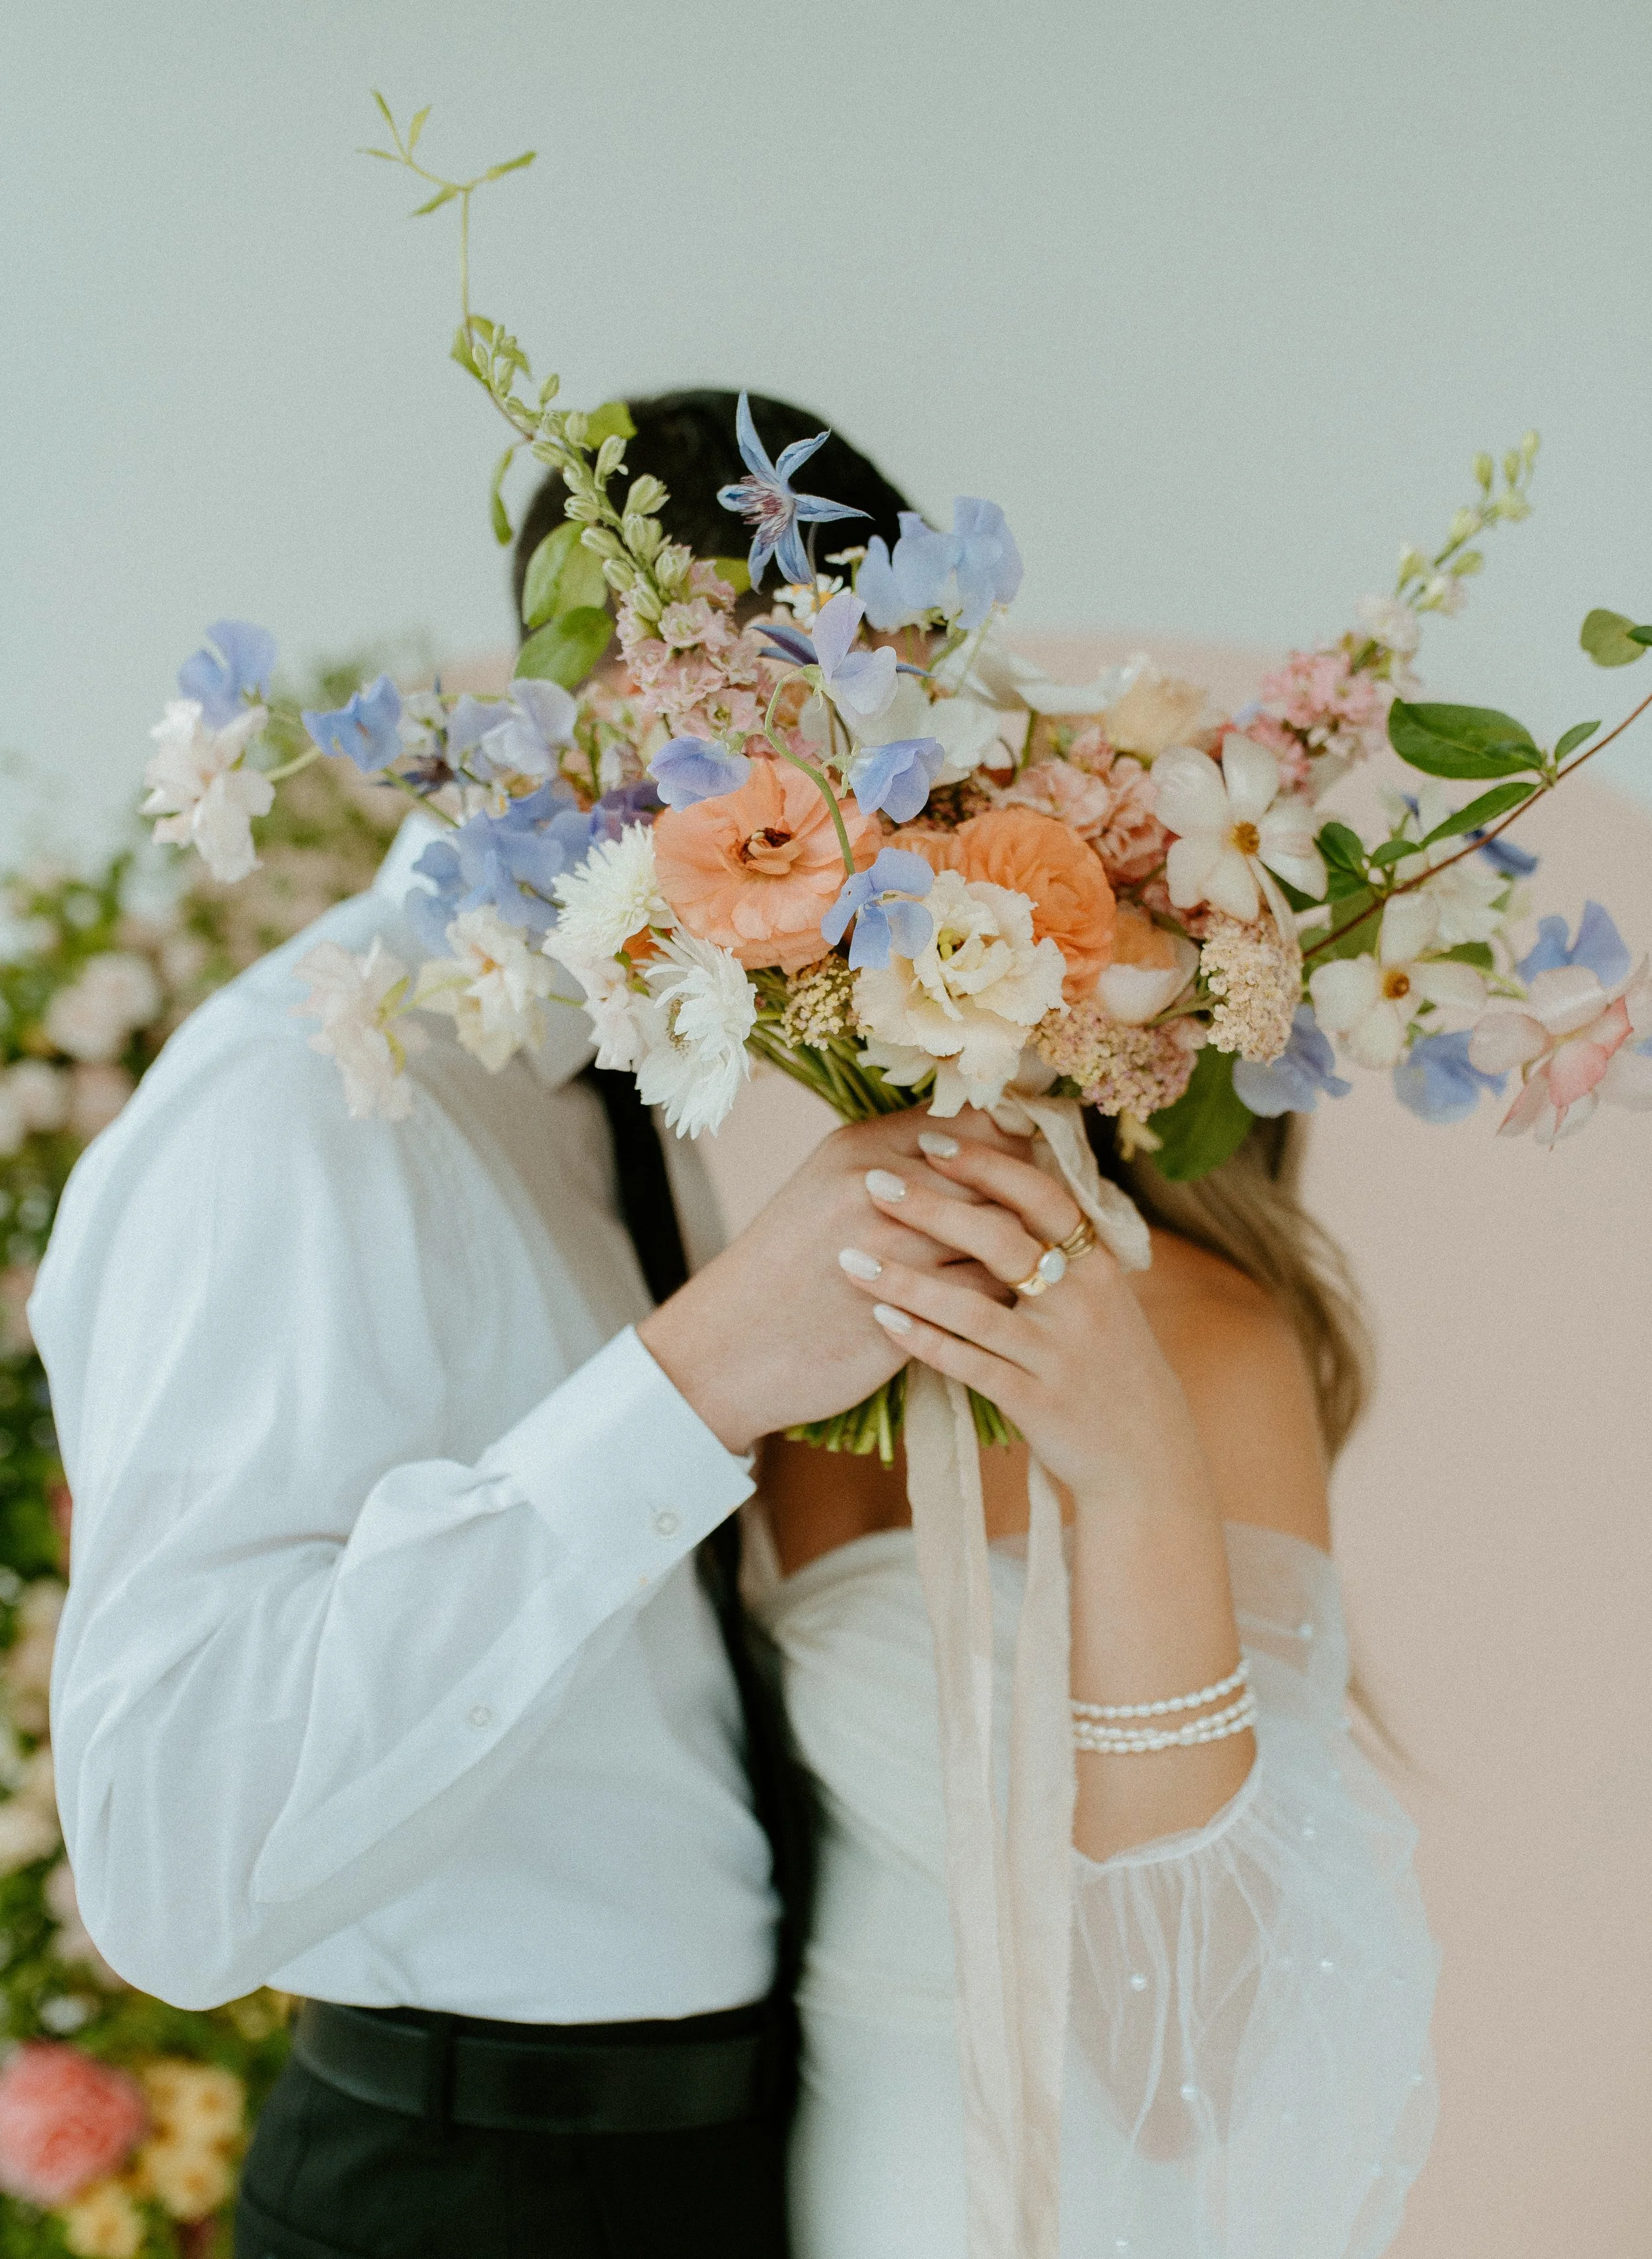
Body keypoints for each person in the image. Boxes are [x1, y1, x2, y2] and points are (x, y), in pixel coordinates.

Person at [31, 392, 956, 2259]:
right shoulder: (299, 1107)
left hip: (695, 2152)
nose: (898, 816)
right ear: (638, 688)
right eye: (858, 730)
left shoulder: (598, 1079)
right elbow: (168, 1866)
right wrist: (698, 1387)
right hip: (473, 2193)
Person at [750, 1111, 1441, 2255]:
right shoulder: (812, 1328)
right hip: (820, 2165)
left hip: (1068, 2196)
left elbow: (1184, 2063)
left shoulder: (1207, 1338)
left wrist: (1134, 1473)